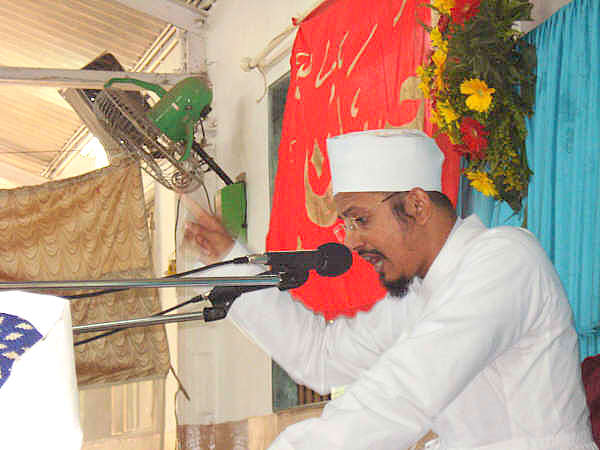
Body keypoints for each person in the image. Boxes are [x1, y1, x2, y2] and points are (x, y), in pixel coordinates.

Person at [184, 129, 596, 449]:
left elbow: (407, 389)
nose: (350, 241)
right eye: (346, 224)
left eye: (360, 219)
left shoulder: (506, 259)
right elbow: (319, 356)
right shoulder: (417, 299)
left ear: (417, 205)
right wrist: (228, 261)